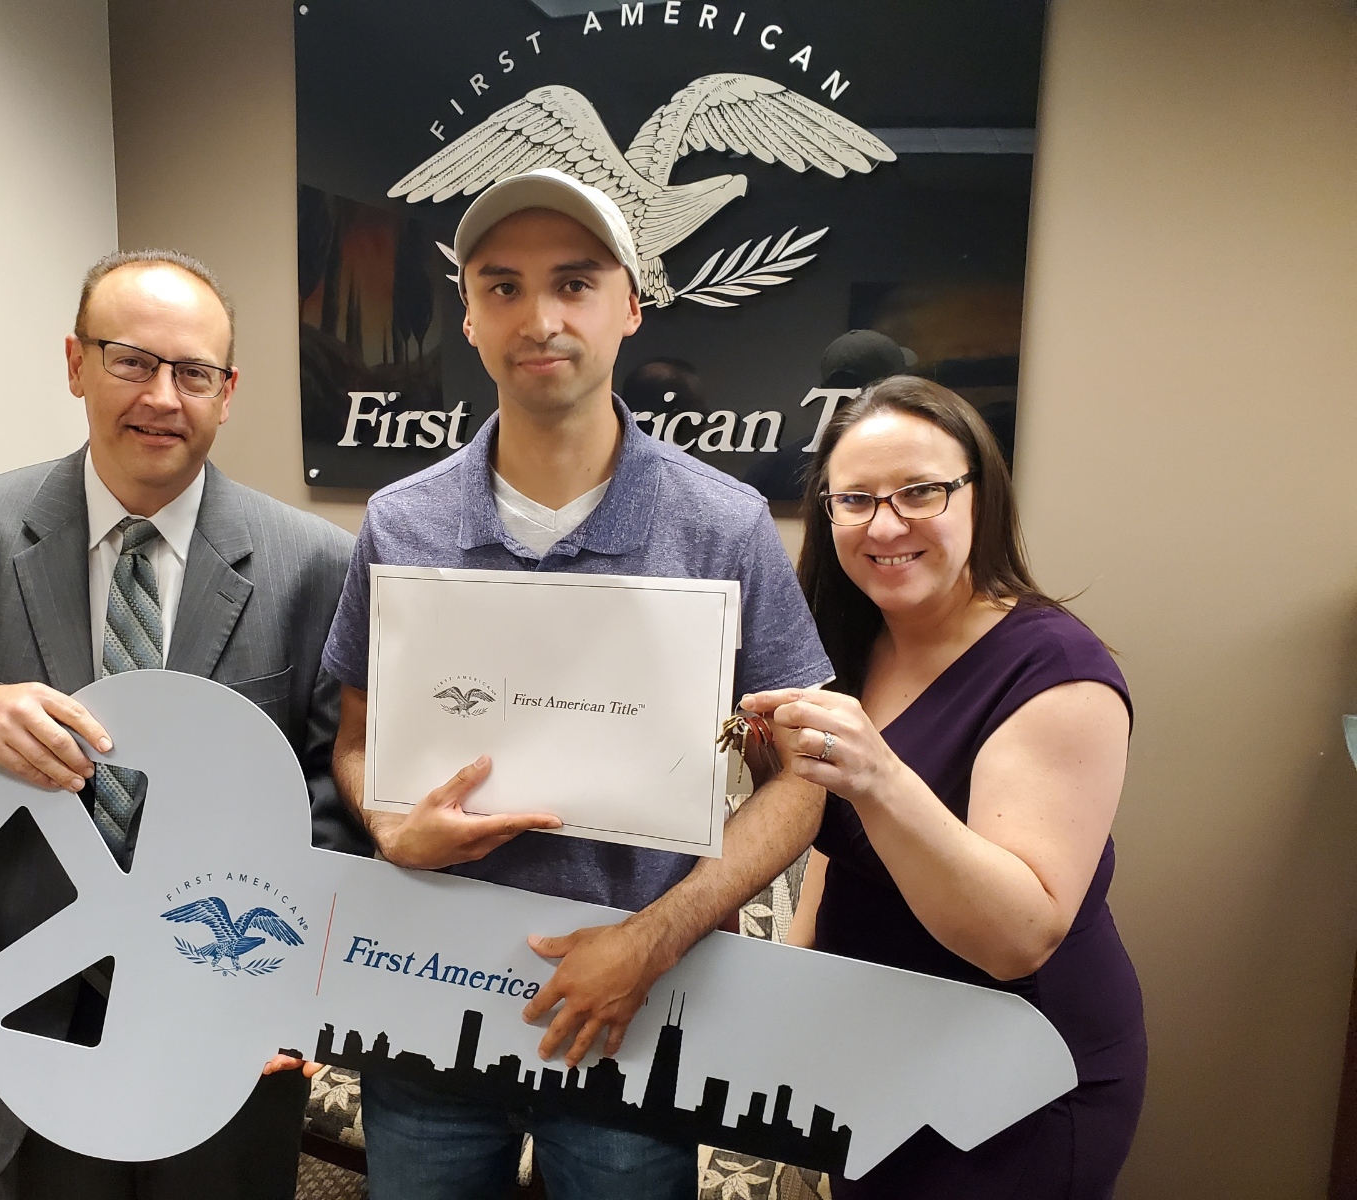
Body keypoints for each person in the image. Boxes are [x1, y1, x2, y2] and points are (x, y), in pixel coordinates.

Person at [316, 167, 833, 1199]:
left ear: (629, 306)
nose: (540, 318)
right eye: (502, 286)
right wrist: (389, 826)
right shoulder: (401, 523)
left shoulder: (722, 526)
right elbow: (357, 740)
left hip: (628, 1026)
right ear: (468, 317)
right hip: (425, 1011)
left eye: (575, 282)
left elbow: (804, 781)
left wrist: (653, 938)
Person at [0, 249, 359, 1200]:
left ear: (228, 392)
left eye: (193, 372)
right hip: (27, 1010)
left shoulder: (317, 563)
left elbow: (334, 790)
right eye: (132, 361)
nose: (162, 397)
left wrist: (297, 982)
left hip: (221, 1020)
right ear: (77, 364)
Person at [746, 375, 1145, 1197]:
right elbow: (841, 848)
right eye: (855, 500)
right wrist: (795, 981)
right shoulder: (850, 641)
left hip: (1017, 1081)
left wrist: (879, 777)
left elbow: (1017, 938)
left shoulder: (1057, 672)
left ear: (979, 498)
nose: (885, 524)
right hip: (877, 1062)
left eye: (920, 491)